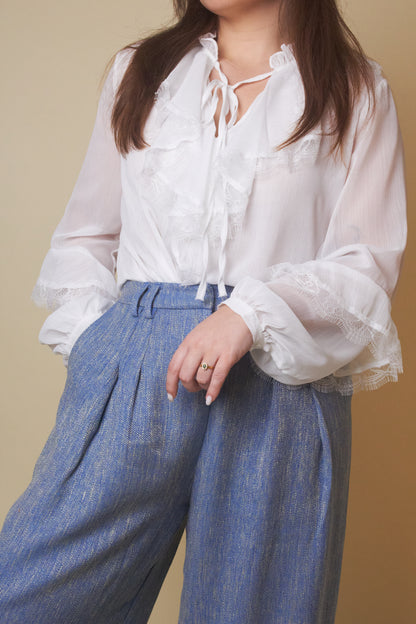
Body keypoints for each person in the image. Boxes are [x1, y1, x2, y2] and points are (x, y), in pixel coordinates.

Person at [0, 0, 407, 622]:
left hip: (282, 382)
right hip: (137, 368)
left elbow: (368, 261)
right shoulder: (141, 71)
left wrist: (250, 315)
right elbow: (86, 235)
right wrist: (101, 348)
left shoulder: (355, 89)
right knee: (30, 592)